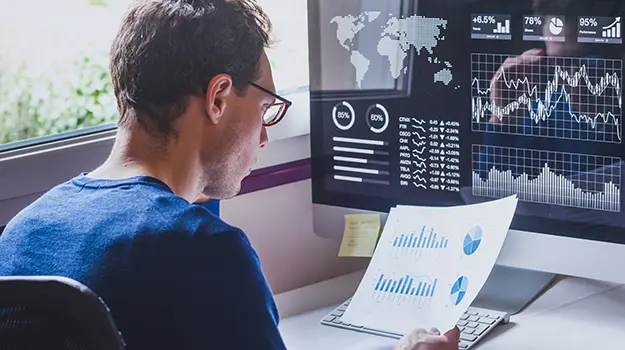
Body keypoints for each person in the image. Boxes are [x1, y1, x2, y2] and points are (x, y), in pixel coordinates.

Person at [0, 0, 459, 349]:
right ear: (217, 97)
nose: (263, 138)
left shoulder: (20, 233)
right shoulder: (203, 252)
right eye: (266, 109)